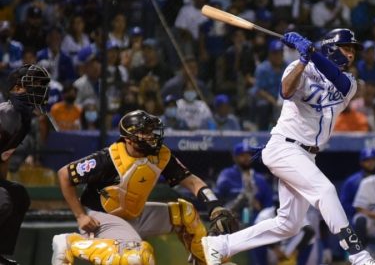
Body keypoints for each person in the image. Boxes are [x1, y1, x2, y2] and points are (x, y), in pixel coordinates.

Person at [201, 28, 375, 265]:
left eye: (353, 50)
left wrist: (311, 52)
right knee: (326, 191)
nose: (351, 55)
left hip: (306, 155)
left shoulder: (350, 83)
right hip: (284, 147)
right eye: (346, 48)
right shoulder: (298, 68)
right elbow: (285, 91)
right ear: (331, 47)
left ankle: (221, 244)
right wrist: (303, 60)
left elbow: (336, 79)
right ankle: (359, 257)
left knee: (289, 225)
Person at [51, 110, 238, 265]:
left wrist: (215, 204)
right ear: (130, 139)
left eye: (152, 131)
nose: (152, 136)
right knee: (138, 257)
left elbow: (191, 181)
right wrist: (80, 215)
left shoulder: (160, 155)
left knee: (186, 214)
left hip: (135, 213)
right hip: (102, 219)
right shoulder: (108, 159)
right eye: (146, 133)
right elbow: (64, 174)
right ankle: (72, 243)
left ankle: (205, 261)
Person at [0, 64, 50, 265]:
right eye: (34, 84)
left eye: (41, 84)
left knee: (18, 195)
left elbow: (3, 158)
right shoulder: (6, 114)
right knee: (2, 199)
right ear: (17, 88)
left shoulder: (22, 118)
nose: (39, 89)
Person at [215, 142, 273, 226]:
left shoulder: (260, 179)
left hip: (255, 222)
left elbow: (268, 204)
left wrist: (262, 211)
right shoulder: (227, 174)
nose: (246, 158)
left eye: (248, 155)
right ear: (235, 157)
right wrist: (247, 196)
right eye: (242, 155)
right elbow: (220, 192)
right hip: (231, 220)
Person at [340, 148, 375, 219]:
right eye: (367, 160)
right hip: (360, 216)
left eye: (373, 160)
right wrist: (360, 210)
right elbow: (344, 204)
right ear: (361, 162)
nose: (371, 163)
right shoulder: (352, 182)